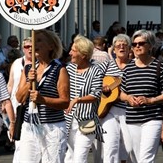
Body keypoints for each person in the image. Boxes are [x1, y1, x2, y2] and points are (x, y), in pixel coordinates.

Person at [15, 29, 70, 163]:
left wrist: (42, 100)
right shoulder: (28, 69)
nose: (34, 44)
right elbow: (19, 98)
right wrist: (29, 83)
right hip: (30, 125)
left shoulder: (60, 70)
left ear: (51, 46)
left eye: (39, 40)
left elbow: (65, 102)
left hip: (53, 127)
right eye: (33, 41)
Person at [119, 30, 163, 162]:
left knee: (146, 158)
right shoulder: (129, 68)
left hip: (153, 118)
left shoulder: (159, 67)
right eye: (134, 44)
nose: (137, 46)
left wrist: (151, 100)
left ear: (150, 46)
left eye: (141, 43)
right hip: (132, 119)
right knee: (136, 157)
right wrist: (128, 98)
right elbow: (121, 93)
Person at [64, 34, 104, 163]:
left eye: (73, 50)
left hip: (88, 120)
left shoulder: (95, 71)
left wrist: (77, 100)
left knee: (79, 157)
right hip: (68, 120)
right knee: (71, 156)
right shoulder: (68, 69)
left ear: (83, 54)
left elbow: (96, 94)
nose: (70, 53)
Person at [97, 34, 132, 163]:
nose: (121, 47)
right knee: (111, 144)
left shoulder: (134, 66)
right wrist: (103, 86)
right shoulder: (106, 65)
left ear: (129, 49)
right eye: (118, 45)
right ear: (114, 49)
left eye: (124, 45)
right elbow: (93, 80)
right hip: (108, 110)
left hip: (129, 110)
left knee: (129, 147)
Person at [7, 37, 32, 162]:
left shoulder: (41, 63)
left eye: (32, 46)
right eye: (27, 47)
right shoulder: (17, 63)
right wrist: (5, 102)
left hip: (33, 105)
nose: (30, 49)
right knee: (18, 138)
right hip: (16, 105)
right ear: (23, 49)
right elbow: (10, 84)